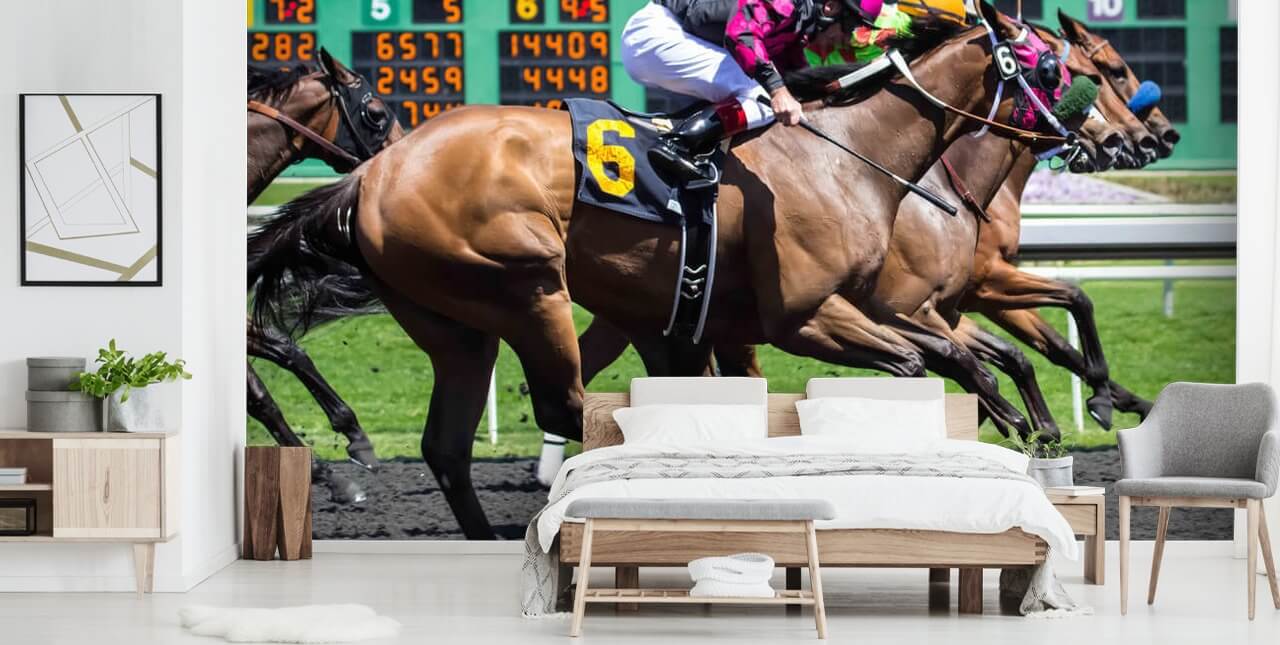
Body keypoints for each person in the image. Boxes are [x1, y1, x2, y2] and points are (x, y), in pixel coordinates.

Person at [622, 0, 884, 182]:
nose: (848, 39)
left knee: (767, 93)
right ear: (831, 7)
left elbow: (797, 77)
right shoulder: (788, 3)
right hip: (657, 34)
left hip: (664, 40)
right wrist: (778, 91)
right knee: (764, 97)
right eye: (850, 26)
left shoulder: (801, 23)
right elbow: (741, 35)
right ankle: (677, 145)